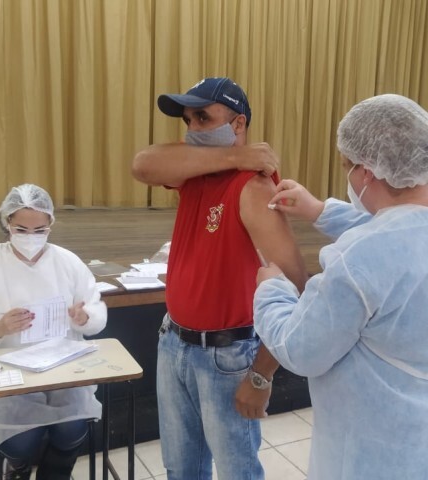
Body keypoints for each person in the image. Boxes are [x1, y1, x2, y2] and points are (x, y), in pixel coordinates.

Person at [253, 94, 428, 479]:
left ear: (366, 172)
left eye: (348, 166)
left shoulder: (361, 258)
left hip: (381, 450)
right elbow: (403, 233)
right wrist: (319, 210)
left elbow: (301, 349)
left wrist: (272, 290)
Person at [131, 77, 308, 480]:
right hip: (173, 342)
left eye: (203, 118)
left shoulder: (253, 188)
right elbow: (142, 164)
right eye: (188, 120)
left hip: (226, 358)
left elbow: (298, 288)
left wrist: (262, 374)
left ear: (238, 124)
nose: (193, 129)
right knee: (181, 468)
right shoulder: (198, 172)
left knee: (236, 472)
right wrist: (235, 156)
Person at [0, 184, 107, 480]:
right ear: (6, 223)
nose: (31, 238)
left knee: (72, 429)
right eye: (21, 229)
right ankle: (16, 467)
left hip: (63, 371)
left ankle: (56, 473)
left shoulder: (68, 262)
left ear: (51, 225)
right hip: (8, 373)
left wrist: (84, 317)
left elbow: (97, 313)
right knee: (21, 441)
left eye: (39, 230)